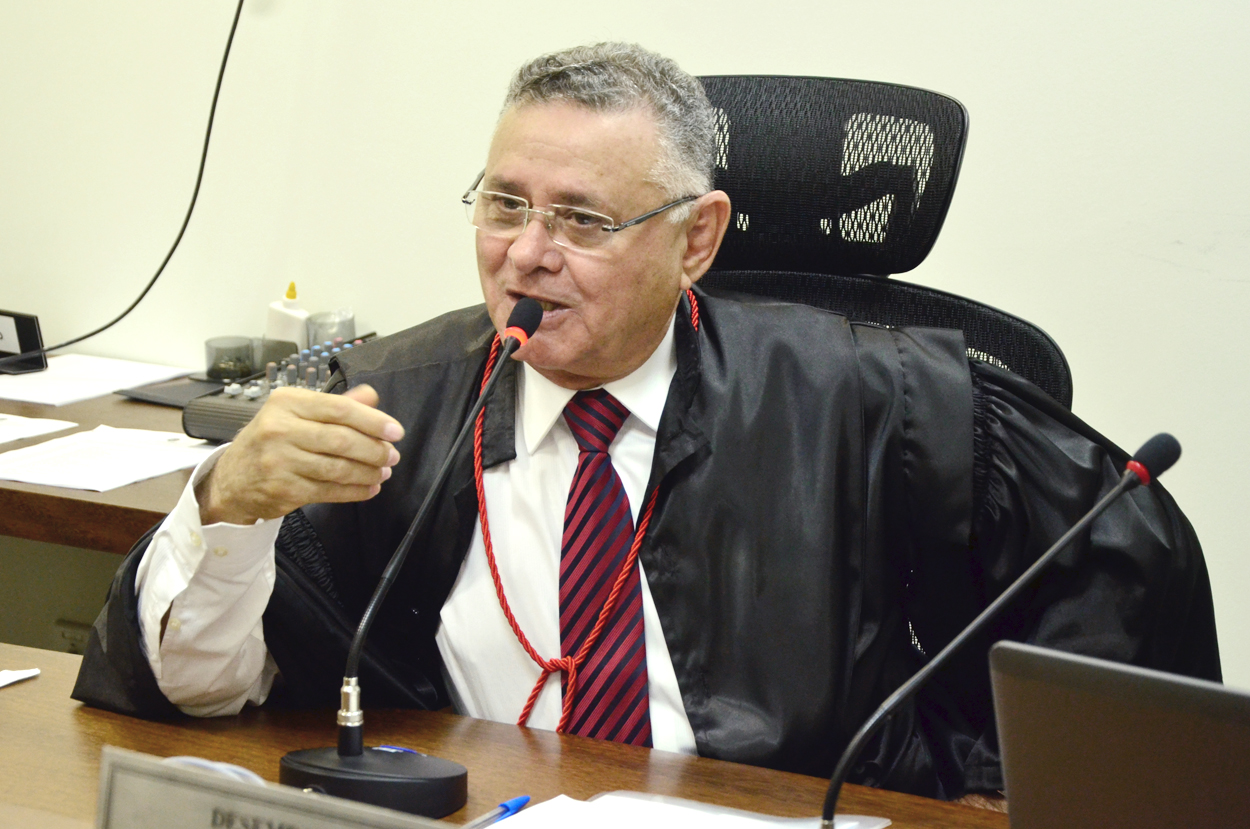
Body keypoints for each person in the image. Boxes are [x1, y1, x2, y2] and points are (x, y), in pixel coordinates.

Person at [73, 42, 1219, 800]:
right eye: (504, 205)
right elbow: (192, 692)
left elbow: (1117, 597)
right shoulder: (390, 401)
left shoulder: (886, 403)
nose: (526, 254)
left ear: (696, 238)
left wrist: (981, 786)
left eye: (581, 219)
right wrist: (225, 509)